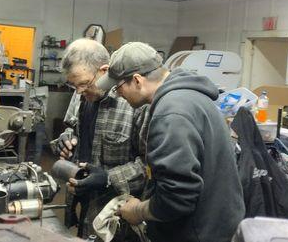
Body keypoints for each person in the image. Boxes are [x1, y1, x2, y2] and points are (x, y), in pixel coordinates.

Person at [96, 42, 245, 242]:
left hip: (197, 233)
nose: (117, 93)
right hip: (218, 225)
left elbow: (178, 197)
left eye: (119, 87)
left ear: (137, 80)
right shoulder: (191, 96)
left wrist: (138, 210)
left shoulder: (170, 113)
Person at [51, 38, 147, 241]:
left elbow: (149, 166)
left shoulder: (135, 103)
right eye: (73, 85)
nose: (78, 92)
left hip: (115, 213)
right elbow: (72, 128)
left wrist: (107, 178)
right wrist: (65, 138)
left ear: (104, 71)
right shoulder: (81, 92)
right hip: (84, 200)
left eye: (84, 84)